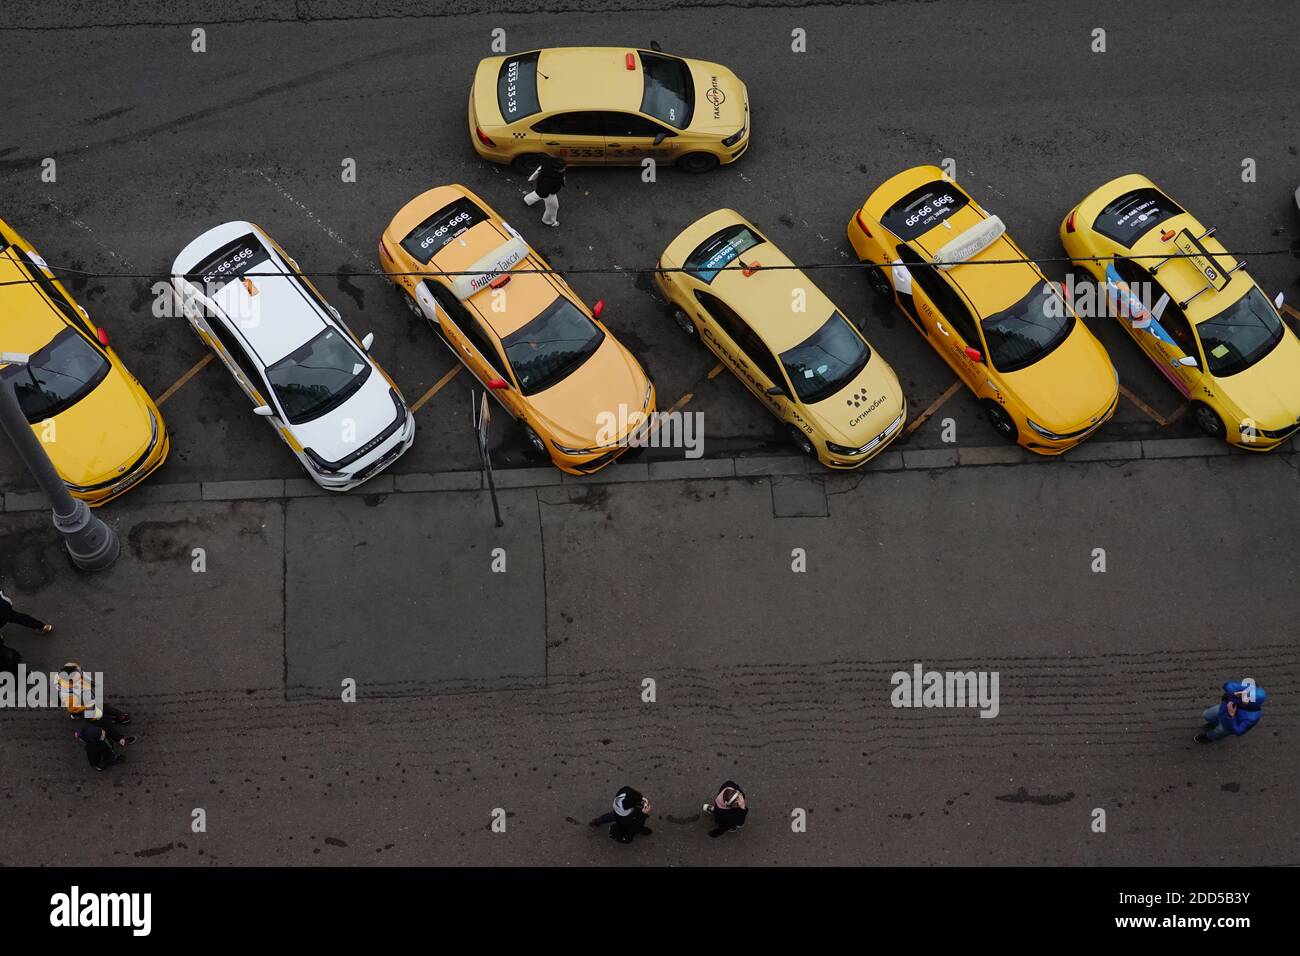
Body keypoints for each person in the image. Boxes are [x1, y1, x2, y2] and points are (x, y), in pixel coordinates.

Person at [58, 662, 131, 727]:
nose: (80, 675)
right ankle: (116, 718)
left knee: (99, 708)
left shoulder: (74, 669)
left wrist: (91, 682)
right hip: (81, 701)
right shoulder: (67, 694)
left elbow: (83, 674)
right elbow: (73, 708)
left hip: (84, 695)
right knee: (95, 712)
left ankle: (117, 717)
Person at [1196, 679, 1267, 743]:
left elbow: (1238, 731)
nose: (1241, 696)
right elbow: (1227, 685)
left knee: (1217, 732)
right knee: (1206, 715)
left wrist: (1231, 715)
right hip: (1221, 710)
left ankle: (1208, 738)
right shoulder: (1245, 691)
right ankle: (1214, 724)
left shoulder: (1253, 717)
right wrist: (1235, 692)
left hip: (1226, 726)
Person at [523, 156, 566, 227]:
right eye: (563, 168)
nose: (565, 169)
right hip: (549, 193)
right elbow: (543, 192)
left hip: (542, 186)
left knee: (538, 193)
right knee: (553, 207)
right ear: (556, 170)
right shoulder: (552, 179)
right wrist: (544, 195)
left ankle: (527, 200)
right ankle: (547, 220)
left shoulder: (547, 163)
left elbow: (541, 156)